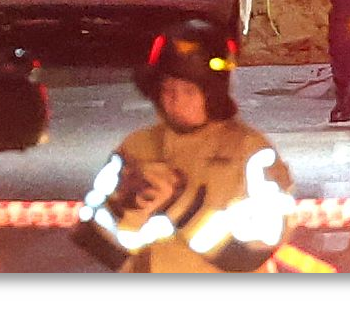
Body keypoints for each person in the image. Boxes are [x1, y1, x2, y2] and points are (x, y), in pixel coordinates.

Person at [72, 18, 294, 273]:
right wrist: (125, 207)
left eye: (189, 91)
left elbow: (249, 255)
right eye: (168, 89)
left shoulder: (251, 154)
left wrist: (180, 206)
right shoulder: (137, 147)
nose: (176, 101)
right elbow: (97, 243)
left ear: (213, 92)